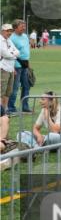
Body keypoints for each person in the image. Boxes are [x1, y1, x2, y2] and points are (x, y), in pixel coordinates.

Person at [1, 24, 19, 152]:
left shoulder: (9, 40)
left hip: (10, 69)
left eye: (10, 31)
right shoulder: (0, 41)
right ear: (2, 31)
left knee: (8, 93)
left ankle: (5, 111)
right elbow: (6, 54)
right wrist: (13, 54)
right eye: (7, 31)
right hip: (2, 69)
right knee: (1, 92)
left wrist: (12, 54)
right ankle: (1, 113)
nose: (9, 33)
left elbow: (16, 51)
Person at [7, 20, 31, 114]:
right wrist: (12, 67)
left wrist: (28, 63)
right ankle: (11, 108)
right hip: (16, 65)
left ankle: (25, 106)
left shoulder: (25, 36)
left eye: (24, 26)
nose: (24, 28)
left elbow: (26, 50)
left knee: (26, 86)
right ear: (15, 28)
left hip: (25, 65)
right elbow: (10, 53)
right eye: (22, 26)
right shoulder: (11, 38)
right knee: (15, 88)